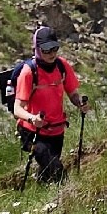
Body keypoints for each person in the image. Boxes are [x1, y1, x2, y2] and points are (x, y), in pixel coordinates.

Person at [14, 28, 84, 182]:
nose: (52, 53)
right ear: (37, 49)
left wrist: (79, 104)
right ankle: (65, 199)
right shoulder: (28, 73)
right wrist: (32, 119)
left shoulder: (62, 66)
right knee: (58, 172)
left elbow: (72, 93)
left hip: (57, 130)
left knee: (48, 172)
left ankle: (40, 195)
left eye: (54, 48)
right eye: (46, 49)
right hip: (33, 132)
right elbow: (17, 109)